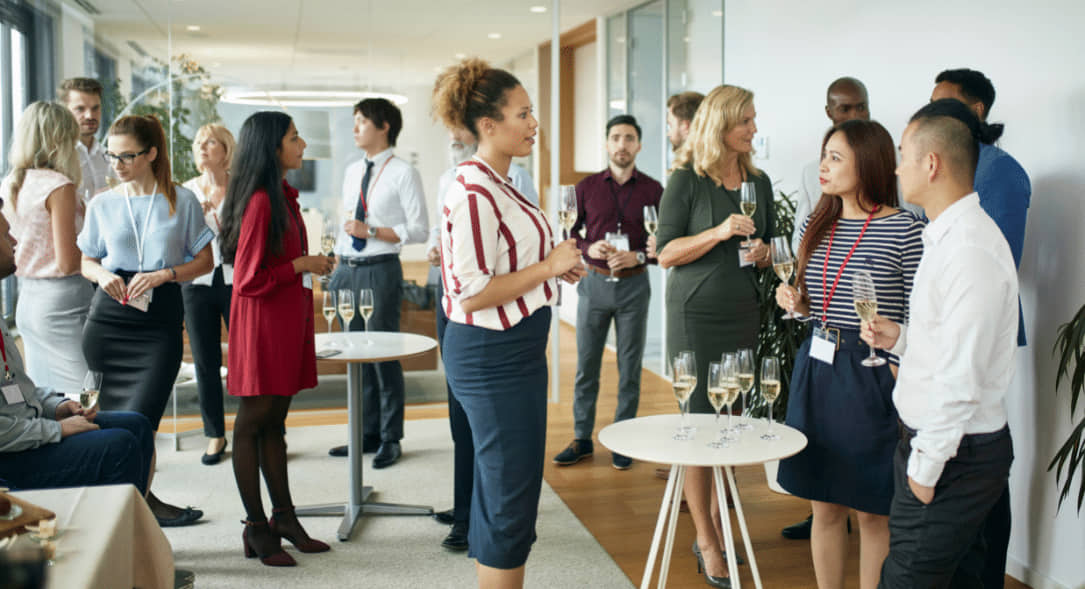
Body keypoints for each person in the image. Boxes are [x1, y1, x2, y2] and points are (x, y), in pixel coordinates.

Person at [431, 57, 585, 588]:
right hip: (491, 355)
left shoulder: (504, 182)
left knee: (500, 487)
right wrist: (548, 267)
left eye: (533, 111)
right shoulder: (474, 192)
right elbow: (472, 294)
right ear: (488, 126)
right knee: (509, 496)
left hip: (513, 350)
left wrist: (557, 269)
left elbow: (511, 264)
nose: (534, 123)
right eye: (523, 113)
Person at [863, 99, 1018, 589]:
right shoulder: (945, 236)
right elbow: (954, 347)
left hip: (952, 455)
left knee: (906, 580)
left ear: (931, 164)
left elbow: (962, 378)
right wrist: (905, 339)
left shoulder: (968, 248)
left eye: (903, 154)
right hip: (944, 448)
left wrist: (924, 471)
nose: (896, 167)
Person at [774, 119, 925, 589]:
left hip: (872, 371)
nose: (823, 166)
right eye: (825, 154)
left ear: (870, 161)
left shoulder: (905, 227)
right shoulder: (815, 223)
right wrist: (799, 307)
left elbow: (924, 313)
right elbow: (815, 304)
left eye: (836, 157)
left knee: (872, 510)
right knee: (822, 505)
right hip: (817, 370)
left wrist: (900, 372)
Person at [656, 84, 774, 588]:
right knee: (699, 422)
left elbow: (763, 242)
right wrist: (718, 232)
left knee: (729, 420)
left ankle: (721, 525)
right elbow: (664, 253)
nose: (753, 128)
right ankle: (706, 538)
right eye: (744, 120)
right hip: (696, 315)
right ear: (720, 125)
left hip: (742, 309)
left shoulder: (759, 181)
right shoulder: (686, 180)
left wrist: (765, 251)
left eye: (752, 119)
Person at [77, 114, 214, 527]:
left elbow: (204, 260)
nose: (117, 164)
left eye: (127, 156)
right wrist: (102, 275)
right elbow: (86, 260)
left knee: (141, 422)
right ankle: (131, 509)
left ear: (152, 153)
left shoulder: (181, 200)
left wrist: (167, 273)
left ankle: (132, 510)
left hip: (159, 321)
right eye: (111, 155)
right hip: (108, 320)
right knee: (106, 425)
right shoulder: (102, 202)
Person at [218, 111, 335, 567]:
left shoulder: (282, 196)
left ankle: (284, 517)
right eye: (294, 137)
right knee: (251, 424)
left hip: (283, 322)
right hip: (263, 326)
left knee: (275, 424)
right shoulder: (263, 201)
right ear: (272, 147)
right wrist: (302, 265)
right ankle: (255, 526)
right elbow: (247, 279)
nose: (303, 144)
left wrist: (305, 263)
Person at [426, 127, 539, 552]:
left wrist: (549, 265)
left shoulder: (516, 182)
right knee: (464, 419)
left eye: (460, 123)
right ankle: (465, 512)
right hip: (464, 311)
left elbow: (518, 250)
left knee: (493, 438)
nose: (453, 132)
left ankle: (476, 517)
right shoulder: (457, 182)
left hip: (502, 320)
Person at [0, 202, 153, 495]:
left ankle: (131, 530)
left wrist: (54, 407)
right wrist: (55, 431)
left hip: (23, 429)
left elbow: (12, 388)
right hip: (9, 457)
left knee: (137, 425)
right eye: (6, 234)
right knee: (120, 446)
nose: (15, 241)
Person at [552, 114, 662, 471]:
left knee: (630, 368)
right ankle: (582, 437)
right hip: (594, 284)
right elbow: (571, 234)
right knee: (586, 366)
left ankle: (623, 438)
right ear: (606, 143)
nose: (622, 144)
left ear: (638, 145)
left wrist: (639, 254)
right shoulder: (585, 188)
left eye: (629, 138)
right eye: (616, 137)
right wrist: (589, 248)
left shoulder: (654, 190)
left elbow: (666, 244)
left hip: (634, 285)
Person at [327, 98, 428, 468]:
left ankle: (390, 436)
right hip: (347, 268)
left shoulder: (403, 172)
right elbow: (346, 222)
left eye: (361, 121)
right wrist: (337, 261)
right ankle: (364, 434)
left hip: (380, 268)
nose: (355, 129)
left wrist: (371, 231)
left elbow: (419, 230)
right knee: (355, 353)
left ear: (384, 126)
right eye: (354, 121)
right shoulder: (353, 170)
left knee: (382, 352)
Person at [1, 102, 93, 393]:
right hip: (64, 303)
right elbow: (67, 262)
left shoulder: (11, 182)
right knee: (85, 396)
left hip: (28, 300)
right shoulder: (58, 185)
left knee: (49, 398)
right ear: (60, 140)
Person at [655, 90, 705, 484]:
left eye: (671, 122)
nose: (669, 131)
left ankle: (698, 473)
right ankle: (692, 474)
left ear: (685, 126)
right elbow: (666, 250)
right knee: (692, 396)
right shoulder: (682, 176)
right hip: (690, 300)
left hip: (725, 307)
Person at [181, 123, 236, 465]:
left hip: (236, 280)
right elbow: (177, 245)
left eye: (211, 142)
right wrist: (195, 227)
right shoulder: (185, 192)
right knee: (205, 362)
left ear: (226, 149)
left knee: (247, 357)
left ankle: (261, 429)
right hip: (197, 285)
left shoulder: (242, 189)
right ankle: (215, 434)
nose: (203, 147)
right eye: (199, 142)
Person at [790, 77, 871, 254]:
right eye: (845, 109)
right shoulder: (812, 173)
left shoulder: (896, 163)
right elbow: (799, 242)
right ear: (829, 112)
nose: (855, 116)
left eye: (861, 107)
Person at [57, 78, 115, 201]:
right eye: (80, 109)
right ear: (65, 111)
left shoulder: (109, 157)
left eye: (95, 108)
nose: (90, 115)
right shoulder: (57, 157)